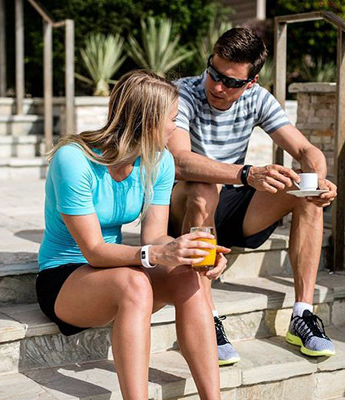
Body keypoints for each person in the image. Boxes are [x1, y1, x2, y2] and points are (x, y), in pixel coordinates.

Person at [36, 70, 228, 400]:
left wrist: (188, 251)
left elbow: (154, 237)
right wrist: (157, 255)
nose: (175, 128)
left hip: (117, 269)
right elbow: (94, 250)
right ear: (147, 121)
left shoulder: (160, 161)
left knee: (188, 275)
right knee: (135, 283)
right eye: (172, 119)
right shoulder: (74, 159)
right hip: (65, 276)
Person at [168, 28, 338, 365]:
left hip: (233, 207)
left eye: (231, 82)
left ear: (251, 82)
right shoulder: (182, 93)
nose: (218, 86)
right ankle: (204, 316)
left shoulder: (258, 98)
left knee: (304, 191)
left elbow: (306, 150)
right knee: (203, 188)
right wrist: (247, 174)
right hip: (184, 207)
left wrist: (318, 180)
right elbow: (180, 161)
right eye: (214, 73)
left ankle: (302, 313)